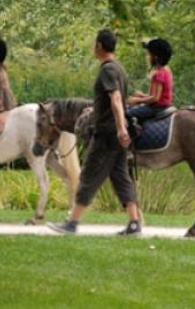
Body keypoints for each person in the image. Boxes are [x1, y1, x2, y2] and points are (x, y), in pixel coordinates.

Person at [49, 29, 142, 236]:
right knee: (121, 177)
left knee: (88, 176)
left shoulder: (107, 70)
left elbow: (116, 99)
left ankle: (72, 223)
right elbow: (114, 101)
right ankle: (134, 223)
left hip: (107, 134)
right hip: (114, 134)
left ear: (99, 46)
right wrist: (98, 110)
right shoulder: (119, 69)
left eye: (94, 44)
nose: (93, 47)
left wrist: (120, 129)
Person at [126, 37, 174, 124]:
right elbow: (157, 95)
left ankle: (130, 132)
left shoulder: (158, 74)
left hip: (156, 108)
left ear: (155, 57)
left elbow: (155, 98)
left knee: (127, 113)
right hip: (162, 106)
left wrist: (137, 100)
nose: (147, 57)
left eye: (148, 54)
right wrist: (142, 96)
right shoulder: (166, 70)